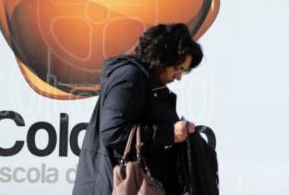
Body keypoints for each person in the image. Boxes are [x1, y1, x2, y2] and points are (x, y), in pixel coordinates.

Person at [73, 23, 204, 195]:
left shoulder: (145, 80)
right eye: (177, 68)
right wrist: (169, 134)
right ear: (162, 58)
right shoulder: (130, 77)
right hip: (112, 187)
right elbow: (113, 132)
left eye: (183, 71)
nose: (178, 77)